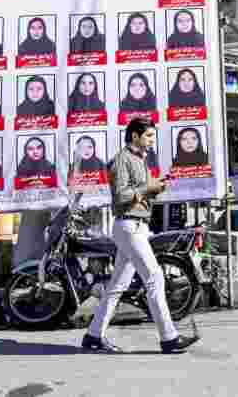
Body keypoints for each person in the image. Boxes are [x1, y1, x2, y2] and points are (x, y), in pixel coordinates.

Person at [83, 119, 199, 354]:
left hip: (136, 225)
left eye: (152, 137)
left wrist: (156, 187)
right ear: (134, 136)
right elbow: (121, 196)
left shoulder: (140, 160)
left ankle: (94, 336)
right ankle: (169, 338)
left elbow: (140, 194)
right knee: (155, 277)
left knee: (117, 285)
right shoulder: (122, 160)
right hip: (129, 226)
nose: (151, 141)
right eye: (148, 136)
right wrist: (149, 188)